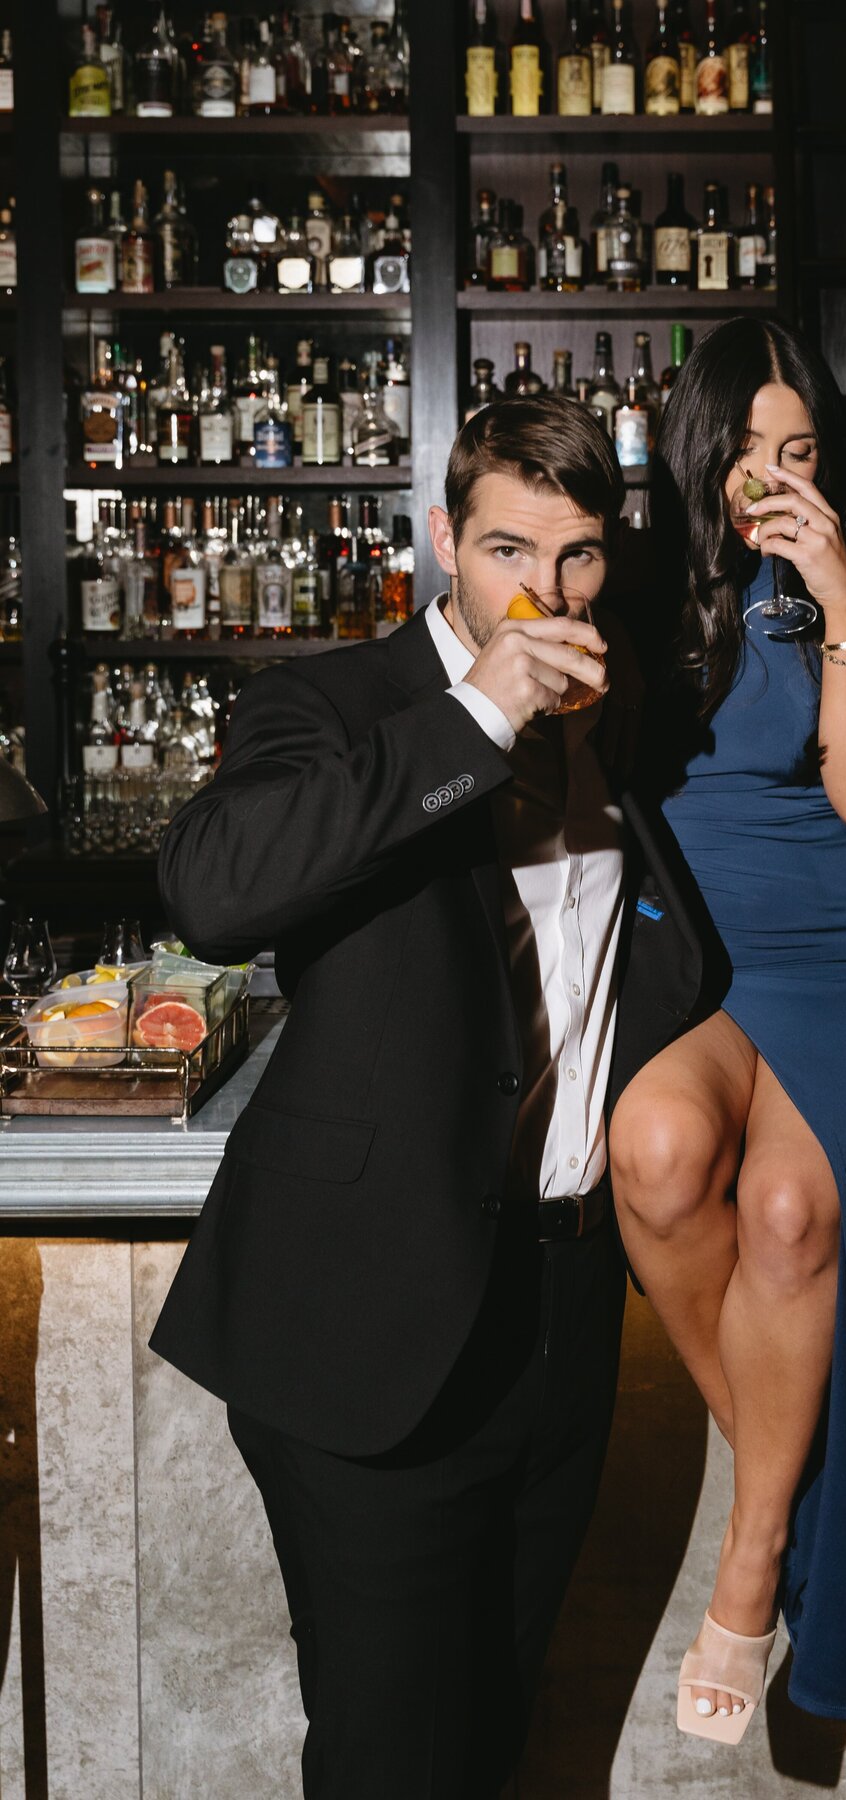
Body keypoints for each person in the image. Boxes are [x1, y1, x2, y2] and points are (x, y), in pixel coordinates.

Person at [148, 394, 723, 1799]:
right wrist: (482, 711)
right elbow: (215, 891)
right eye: (508, 549)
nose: (546, 590)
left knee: (493, 1743)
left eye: (578, 554)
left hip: (563, 1312)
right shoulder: (334, 705)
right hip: (374, 1315)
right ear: (442, 540)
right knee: (393, 1764)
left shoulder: (620, 716)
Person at [609, 318, 846, 1742]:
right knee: (655, 1152)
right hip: (699, 963)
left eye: (800, 451)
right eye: (748, 451)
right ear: (698, 453)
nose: (773, 477)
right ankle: (817, 1499)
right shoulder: (631, 584)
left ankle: (755, 1565)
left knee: (786, 1207)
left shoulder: (839, 585)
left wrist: (841, 597)